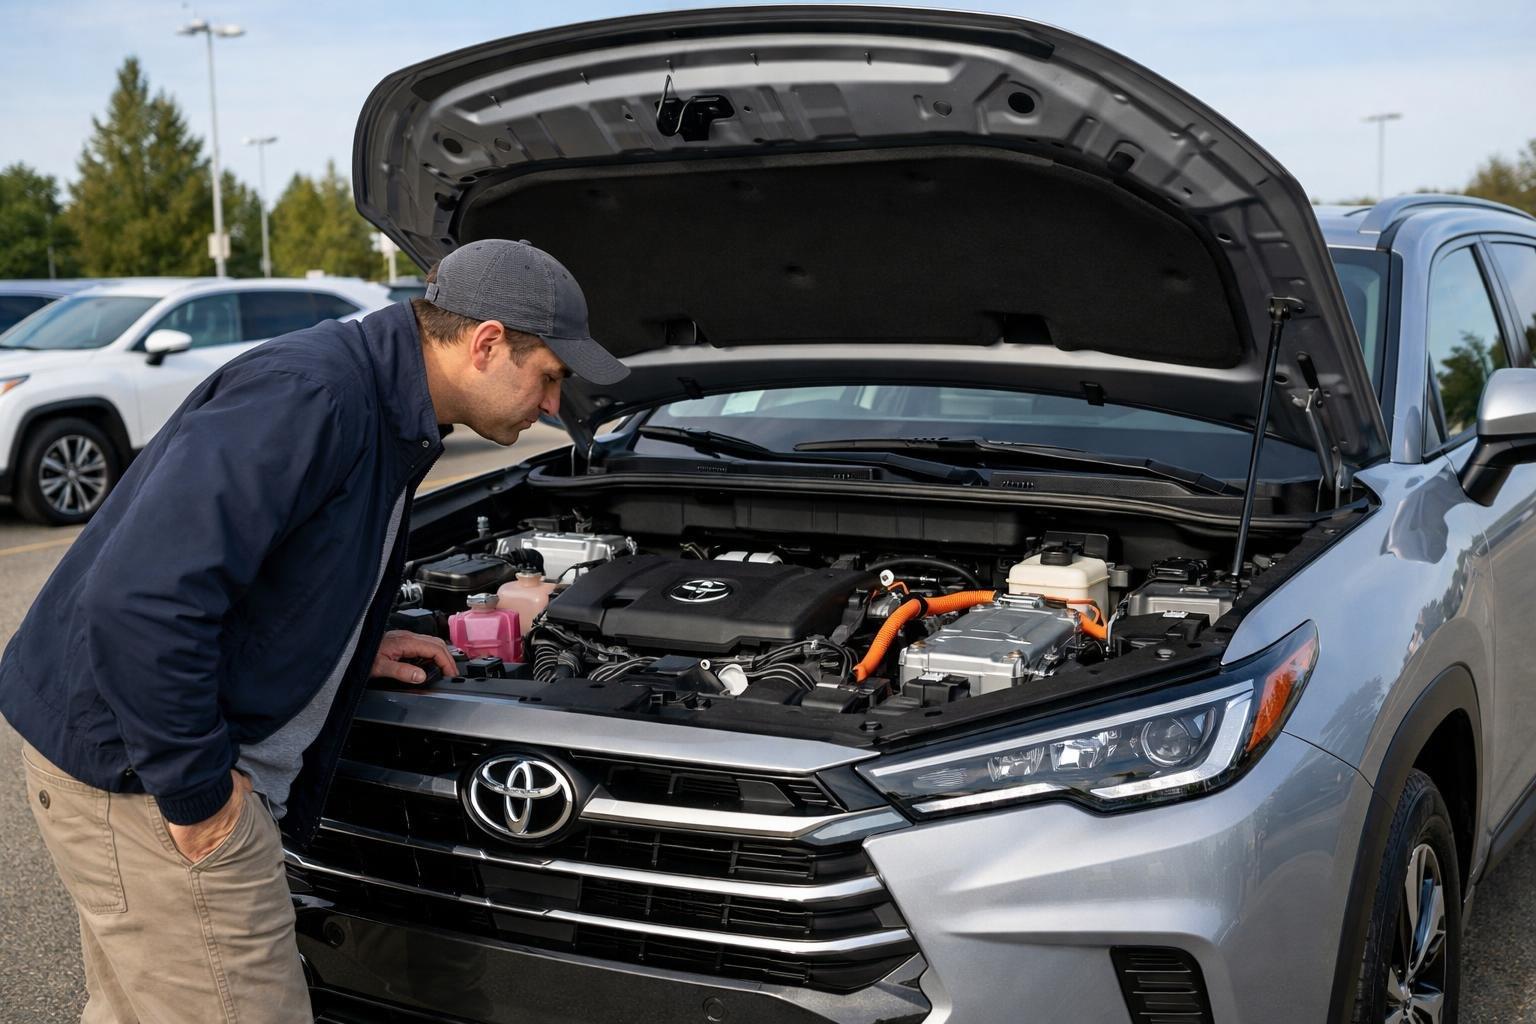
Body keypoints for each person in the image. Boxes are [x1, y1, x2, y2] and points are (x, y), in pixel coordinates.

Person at [0, 239, 628, 1023]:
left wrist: (347, 646)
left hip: (129, 771)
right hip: (144, 782)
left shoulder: (380, 398)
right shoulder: (315, 394)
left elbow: (276, 567)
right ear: (487, 342)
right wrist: (201, 801)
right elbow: (140, 600)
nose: (549, 407)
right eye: (550, 379)